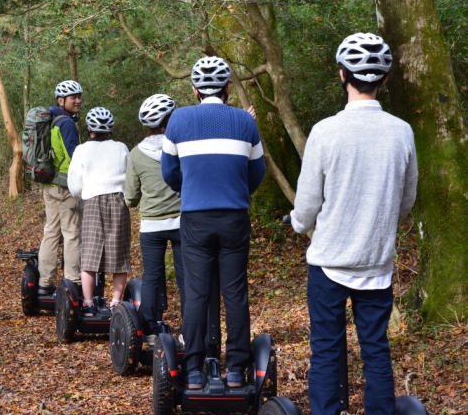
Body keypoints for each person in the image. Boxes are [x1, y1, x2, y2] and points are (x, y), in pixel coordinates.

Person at [289, 33, 418, 415]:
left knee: (327, 349)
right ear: (385, 79)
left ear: (342, 74)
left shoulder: (325, 131)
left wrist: (298, 224)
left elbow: (308, 203)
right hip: (377, 264)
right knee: (376, 348)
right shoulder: (402, 132)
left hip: (329, 263)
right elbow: (405, 201)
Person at [161, 56, 266, 389]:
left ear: (194, 89)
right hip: (235, 216)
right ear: (226, 88)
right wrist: (235, 191)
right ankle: (236, 370)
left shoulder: (178, 120)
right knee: (235, 293)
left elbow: (169, 173)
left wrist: (191, 189)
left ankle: (193, 371)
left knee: (196, 294)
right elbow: (257, 172)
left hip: (195, 218)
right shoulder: (245, 122)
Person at [125, 94, 186, 347]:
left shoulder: (135, 154)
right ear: (169, 120)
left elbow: (130, 198)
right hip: (183, 223)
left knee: (152, 276)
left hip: (151, 226)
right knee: (186, 277)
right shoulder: (181, 146)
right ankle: (188, 332)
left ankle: (150, 330)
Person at [67, 107, 131, 315]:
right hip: (117, 200)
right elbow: (130, 177)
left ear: (89, 128)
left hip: (93, 200)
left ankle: (88, 302)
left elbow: (74, 184)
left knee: (91, 253)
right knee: (119, 253)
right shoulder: (121, 148)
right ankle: (116, 302)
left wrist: (84, 193)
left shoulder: (82, 150)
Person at [37, 80, 84, 296]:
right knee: (71, 233)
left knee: (51, 232)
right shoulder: (65, 123)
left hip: (50, 184)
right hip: (66, 186)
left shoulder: (50, 119)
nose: (78, 100)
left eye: (79, 96)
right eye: (73, 97)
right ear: (60, 100)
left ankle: (44, 282)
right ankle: (73, 282)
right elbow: (76, 155)